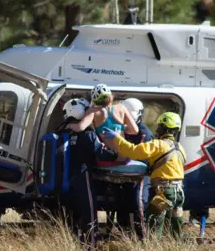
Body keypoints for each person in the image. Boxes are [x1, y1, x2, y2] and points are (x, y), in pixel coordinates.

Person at [101, 112, 186, 240]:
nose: (157, 130)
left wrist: (116, 138)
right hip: (179, 192)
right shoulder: (180, 147)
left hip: (163, 192)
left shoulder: (158, 144)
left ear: (165, 128)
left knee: (154, 223)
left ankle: (152, 247)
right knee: (176, 224)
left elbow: (133, 152)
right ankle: (179, 246)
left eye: (159, 127)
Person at [57, 97, 120, 247]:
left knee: (72, 213)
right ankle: (91, 244)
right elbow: (101, 152)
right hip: (82, 176)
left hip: (65, 179)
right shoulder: (87, 134)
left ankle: (72, 243)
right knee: (89, 212)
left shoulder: (63, 131)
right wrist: (117, 152)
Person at [116, 98, 154, 240]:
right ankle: (124, 235)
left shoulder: (145, 134)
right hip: (125, 173)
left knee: (139, 202)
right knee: (122, 202)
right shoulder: (122, 129)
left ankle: (142, 237)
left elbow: (141, 157)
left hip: (142, 174)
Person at [66, 84, 139, 139]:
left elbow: (80, 127)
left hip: (108, 156)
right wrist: (120, 129)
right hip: (124, 155)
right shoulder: (121, 108)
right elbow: (135, 130)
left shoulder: (93, 111)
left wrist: (69, 125)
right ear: (111, 96)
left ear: (94, 100)